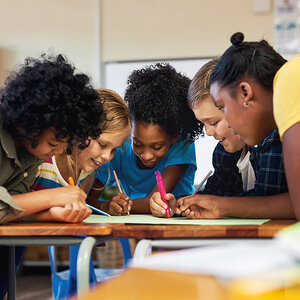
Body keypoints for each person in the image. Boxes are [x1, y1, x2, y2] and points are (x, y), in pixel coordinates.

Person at [0, 54, 104, 299]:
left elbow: (13, 204)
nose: (57, 152)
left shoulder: (30, 150)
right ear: (29, 121)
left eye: (64, 144)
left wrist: (52, 213)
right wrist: (52, 197)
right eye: (54, 142)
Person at [152, 56, 295, 219]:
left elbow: (266, 202)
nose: (207, 132)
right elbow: (214, 196)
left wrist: (220, 206)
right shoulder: (224, 151)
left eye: (213, 122)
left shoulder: (274, 138)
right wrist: (180, 205)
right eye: (203, 124)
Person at [31, 88, 131, 295]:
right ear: (80, 130)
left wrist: (107, 206)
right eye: (103, 145)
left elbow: (84, 204)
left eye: (114, 149)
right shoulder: (44, 158)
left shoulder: (87, 169)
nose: (107, 156)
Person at [88, 63, 203, 215]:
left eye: (157, 146)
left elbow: (156, 202)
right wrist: (108, 205)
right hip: (135, 222)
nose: (146, 155)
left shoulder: (182, 143)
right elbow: (89, 200)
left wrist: (120, 206)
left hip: (178, 220)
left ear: (174, 138)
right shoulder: (116, 147)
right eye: (137, 143)